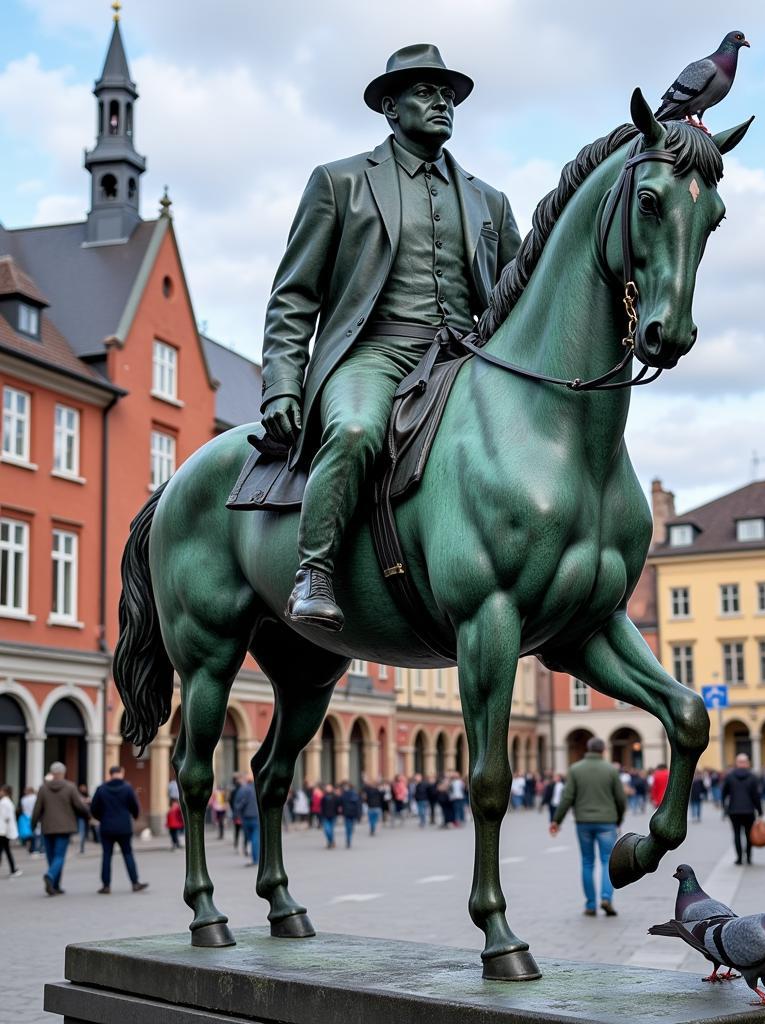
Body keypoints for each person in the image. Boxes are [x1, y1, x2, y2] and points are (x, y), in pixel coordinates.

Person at [259, 44, 521, 632]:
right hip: (373, 351)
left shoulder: (490, 200)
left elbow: (520, 293)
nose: (441, 104)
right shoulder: (340, 182)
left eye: (448, 96)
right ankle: (314, 570)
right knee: (354, 432)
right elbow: (295, 293)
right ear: (390, 108)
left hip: (462, 356)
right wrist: (281, 385)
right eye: (426, 94)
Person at [550, 737, 626, 917]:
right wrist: (619, 818)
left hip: (583, 822)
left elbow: (567, 798)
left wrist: (557, 821)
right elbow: (620, 799)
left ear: (588, 749)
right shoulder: (611, 770)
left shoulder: (575, 769)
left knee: (587, 862)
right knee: (607, 861)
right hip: (607, 821)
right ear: (603, 751)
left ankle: (591, 904)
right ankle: (606, 897)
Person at [31, 761, 91, 895]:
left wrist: (33, 824)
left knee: (51, 857)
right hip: (64, 827)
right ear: (63, 773)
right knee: (59, 856)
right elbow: (79, 805)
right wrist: (88, 815)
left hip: (47, 827)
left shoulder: (43, 788)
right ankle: (51, 876)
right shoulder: (70, 787)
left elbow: (37, 809)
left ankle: (55, 886)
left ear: (52, 773)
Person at [90, 766, 148, 894]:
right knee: (128, 854)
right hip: (124, 827)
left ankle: (106, 886)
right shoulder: (127, 788)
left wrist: (102, 818)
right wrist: (134, 816)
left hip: (106, 827)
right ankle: (135, 883)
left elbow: (93, 809)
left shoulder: (101, 789)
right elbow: (135, 806)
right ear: (121, 773)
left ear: (110, 774)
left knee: (106, 856)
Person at [722, 754, 762, 866]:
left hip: (734, 810)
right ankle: (748, 857)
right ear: (747, 763)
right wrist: (760, 810)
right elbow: (756, 796)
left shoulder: (730, 776)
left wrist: (724, 809)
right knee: (749, 834)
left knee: (736, 834)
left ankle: (739, 858)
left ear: (736, 763)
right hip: (749, 810)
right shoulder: (753, 777)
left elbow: (724, 793)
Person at [234, 774, 259, 865]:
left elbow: (237, 804)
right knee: (255, 838)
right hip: (255, 817)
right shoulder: (257, 789)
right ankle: (256, 858)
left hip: (245, 817)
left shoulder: (243, 790)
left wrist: (237, 815)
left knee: (249, 837)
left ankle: (252, 854)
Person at [0, 783, 22, 877]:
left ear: (5, 792)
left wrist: (3, 831)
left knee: (4, 850)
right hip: (4, 830)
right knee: (6, 850)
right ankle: (13, 869)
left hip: (3, 830)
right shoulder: (7, 801)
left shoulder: (4, 802)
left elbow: (5, 818)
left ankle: (13, 869)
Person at [340, 781, 362, 848]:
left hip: (349, 813)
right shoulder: (347, 794)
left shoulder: (347, 794)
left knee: (348, 827)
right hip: (350, 813)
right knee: (349, 827)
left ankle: (348, 839)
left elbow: (358, 805)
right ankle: (348, 839)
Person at [320, 784, 340, 848]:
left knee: (331, 830)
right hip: (325, 815)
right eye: (327, 788)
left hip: (333, 815)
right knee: (327, 830)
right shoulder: (324, 797)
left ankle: (330, 842)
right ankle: (331, 841)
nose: (328, 789)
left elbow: (338, 806)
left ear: (332, 789)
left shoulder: (335, 797)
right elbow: (322, 806)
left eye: (329, 787)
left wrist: (337, 813)